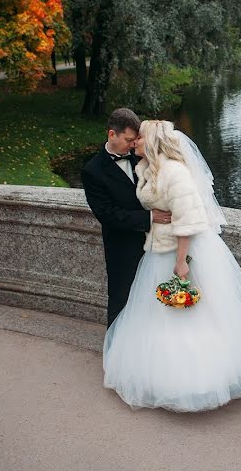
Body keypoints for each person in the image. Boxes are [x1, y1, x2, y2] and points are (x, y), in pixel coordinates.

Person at [103, 120, 241, 412]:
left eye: (140, 137)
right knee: (157, 316)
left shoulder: (175, 173)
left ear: (153, 141)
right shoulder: (148, 169)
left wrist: (181, 263)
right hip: (157, 250)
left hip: (179, 253)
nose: (135, 140)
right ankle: (157, 375)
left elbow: (189, 222)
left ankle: (196, 381)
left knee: (186, 315)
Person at [82, 108, 172, 327]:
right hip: (121, 247)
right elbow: (107, 214)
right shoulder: (92, 171)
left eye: (135, 140)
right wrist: (149, 218)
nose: (133, 145)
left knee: (153, 297)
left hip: (156, 243)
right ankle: (114, 351)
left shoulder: (140, 156)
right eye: (128, 140)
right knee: (121, 298)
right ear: (112, 134)